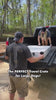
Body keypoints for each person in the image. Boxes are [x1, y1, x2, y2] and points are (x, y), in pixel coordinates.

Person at [5, 31, 44, 100]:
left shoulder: (9, 47)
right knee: (21, 93)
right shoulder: (24, 48)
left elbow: (6, 58)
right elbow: (31, 60)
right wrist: (40, 57)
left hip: (11, 73)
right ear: (22, 38)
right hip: (20, 74)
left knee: (11, 90)